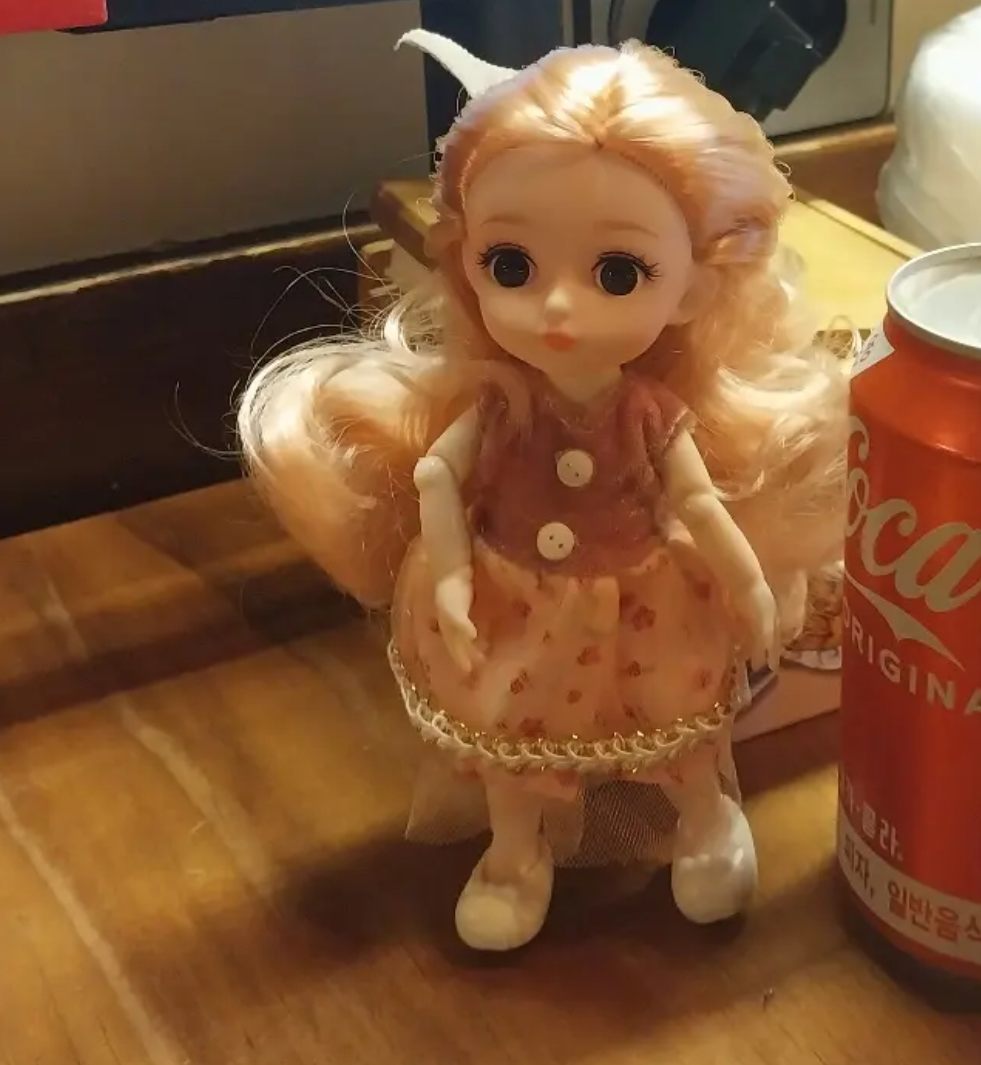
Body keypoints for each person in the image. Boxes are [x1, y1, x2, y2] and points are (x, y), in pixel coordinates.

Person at [236, 30, 848, 952]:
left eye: (617, 273)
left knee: (679, 734)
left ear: (690, 289)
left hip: (646, 598)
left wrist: (752, 583)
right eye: (512, 266)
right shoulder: (499, 406)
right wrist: (449, 574)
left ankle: (706, 820)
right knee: (510, 742)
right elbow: (439, 473)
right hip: (512, 595)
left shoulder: (648, 413)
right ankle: (517, 852)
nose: (558, 307)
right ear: (467, 263)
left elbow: (697, 502)